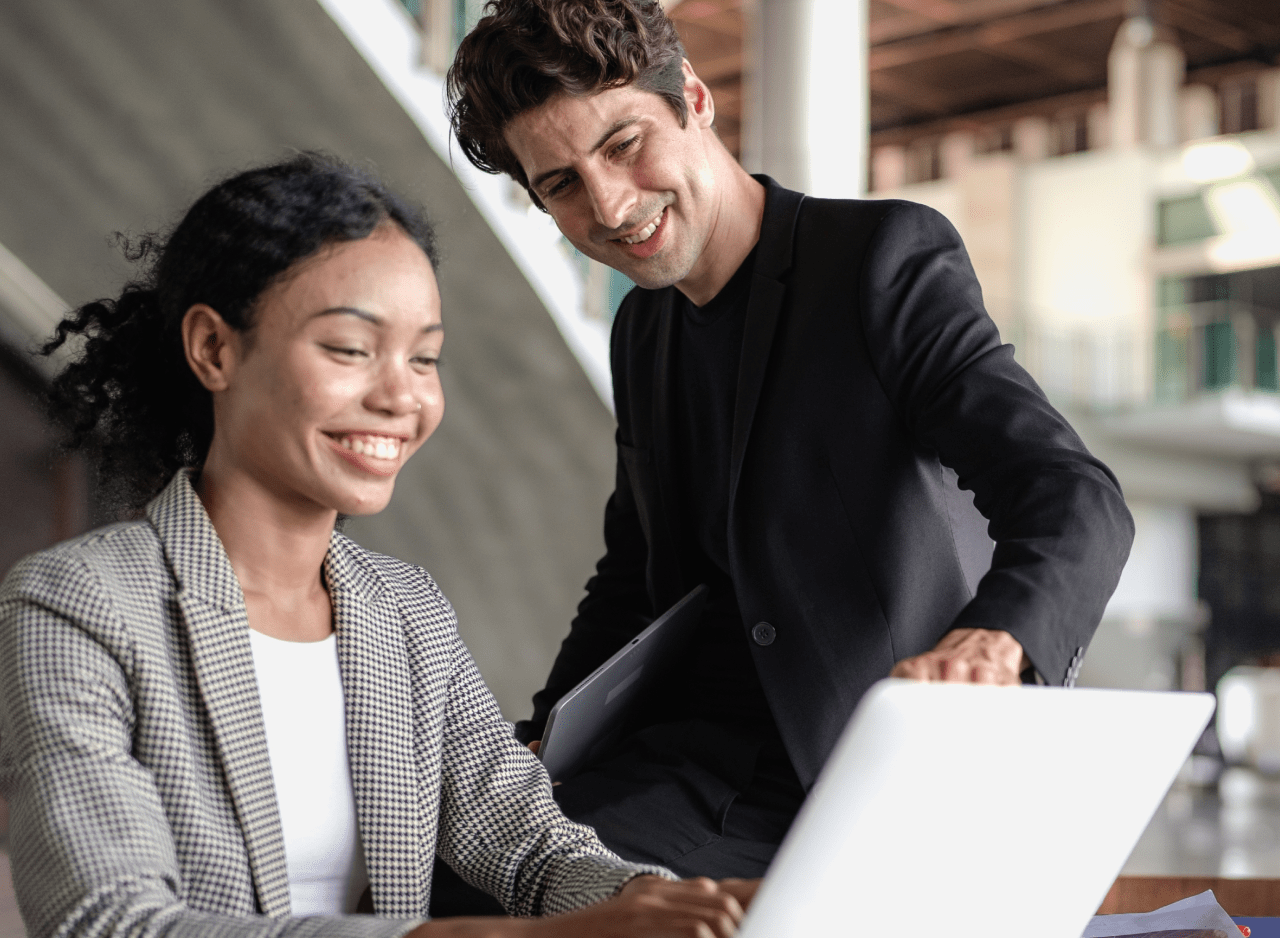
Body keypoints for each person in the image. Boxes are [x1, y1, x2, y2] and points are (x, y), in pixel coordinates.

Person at [442, 0, 1134, 886]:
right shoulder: (642, 329)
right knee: (444, 869)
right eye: (562, 186)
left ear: (695, 99)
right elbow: (633, 572)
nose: (610, 205)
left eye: (623, 145)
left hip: (842, 772)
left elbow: (1073, 497)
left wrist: (995, 644)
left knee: (533, 898)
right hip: (682, 761)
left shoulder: (877, 260)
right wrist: (545, 739)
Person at [0, 153, 757, 937]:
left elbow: (532, 848)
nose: (401, 396)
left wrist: (679, 904)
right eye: (351, 349)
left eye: (424, 358)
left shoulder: (406, 611)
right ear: (215, 349)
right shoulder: (76, 604)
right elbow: (109, 922)